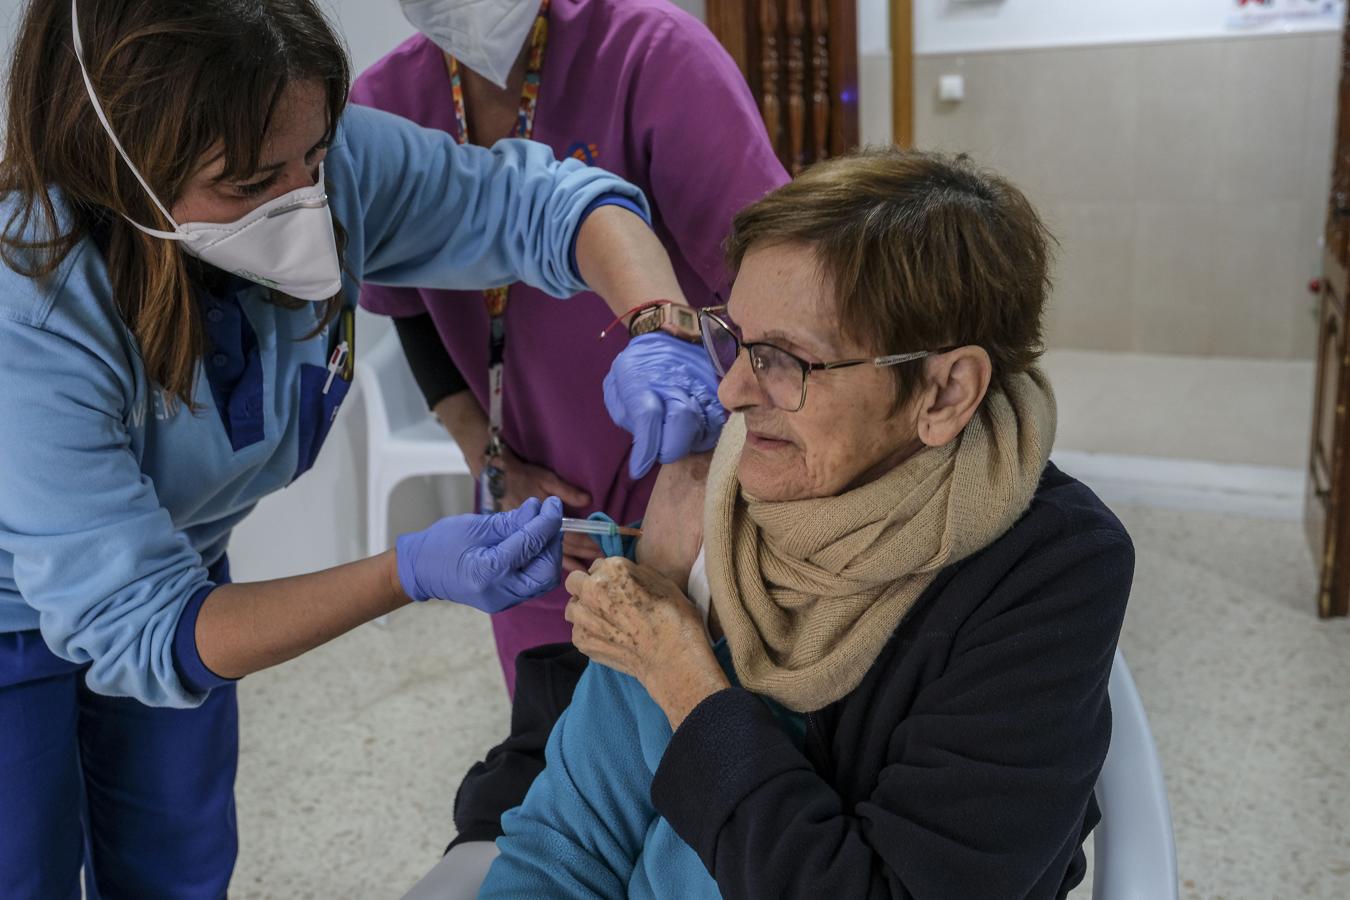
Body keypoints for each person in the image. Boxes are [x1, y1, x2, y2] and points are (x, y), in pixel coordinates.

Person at [0, 1, 718, 896]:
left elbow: (548, 203)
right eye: (251, 181)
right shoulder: (29, 314)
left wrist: (659, 324)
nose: (305, 202)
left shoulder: (331, 169)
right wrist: (405, 571)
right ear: (123, 163)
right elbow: (147, 628)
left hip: (176, 566)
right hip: (17, 607)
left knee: (176, 866)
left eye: (314, 156)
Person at [475, 148, 1136, 898]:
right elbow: (564, 845)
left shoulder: (1051, 568)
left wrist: (683, 673)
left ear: (946, 392)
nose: (729, 390)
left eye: (785, 359)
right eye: (733, 335)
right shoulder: (715, 497)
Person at [352, 0, 788, 692]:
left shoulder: (649, 53)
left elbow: (773, 279)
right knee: (558, 752)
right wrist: (491, 464)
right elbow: (408, 312)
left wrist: (710, 469)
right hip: (539, 522)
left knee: (709, 739)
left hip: (698, 485)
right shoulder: (381, 107)